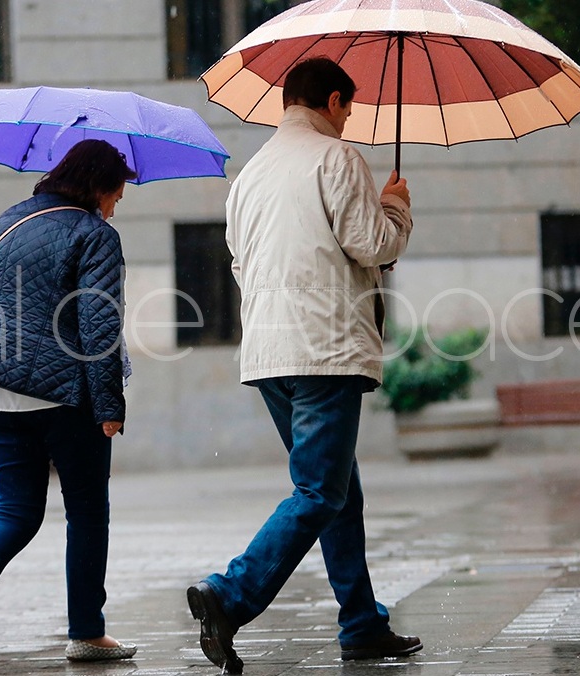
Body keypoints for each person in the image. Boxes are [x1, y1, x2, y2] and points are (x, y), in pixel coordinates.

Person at [186, 57, 419, 673]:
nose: (350, 120)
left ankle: (362, 624)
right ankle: (229, 595)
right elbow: (372, 245)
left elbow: (242, 262)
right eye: (349, 108)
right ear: (335, 100)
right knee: (319, 490)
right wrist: (394, 206)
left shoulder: (251, 173)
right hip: (326, 348)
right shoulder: (336, 159)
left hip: (269, 352)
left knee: (340, 491)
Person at [0, 139, 137, 665]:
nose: (117, 204)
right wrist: (109, 404)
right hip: (62, 391)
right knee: (88, 511)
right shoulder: (95, 234)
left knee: (17, 509)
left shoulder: (7, 222)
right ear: (97, 187)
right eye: (117, 192)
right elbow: (98, 320)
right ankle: (87, 631)